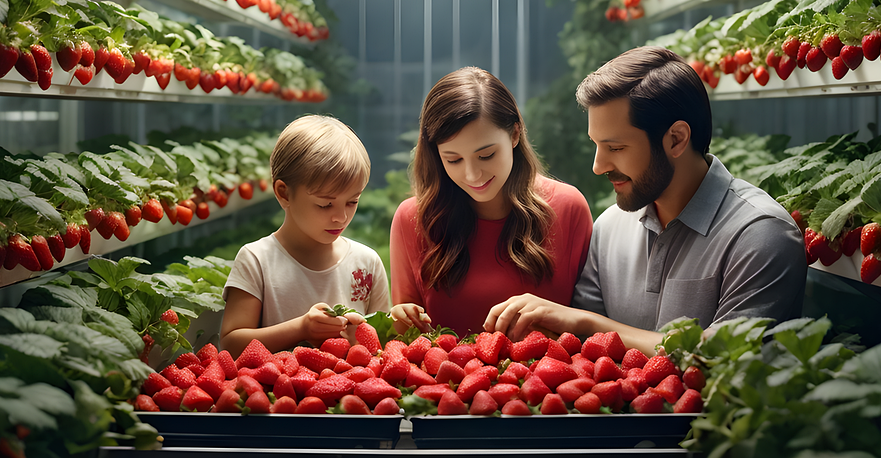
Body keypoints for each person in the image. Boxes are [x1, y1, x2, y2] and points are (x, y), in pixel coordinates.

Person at [484, 46, 805, 353]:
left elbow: (728, 358)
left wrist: (589, 323)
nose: (598, 166)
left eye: (616, 148)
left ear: (676, 139)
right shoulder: (609, 227)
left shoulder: (761, 234)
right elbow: (582, 350)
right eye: (596, 145)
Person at [388, 67, 594, 338]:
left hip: (549, 379)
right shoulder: (413, 218)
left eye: (486, 155)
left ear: (515, 134)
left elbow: (593, 330)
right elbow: (407, 336)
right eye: (453, 160)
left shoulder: (568, 208)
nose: (472, 175)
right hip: (445, 380)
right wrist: (400, 319)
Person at [220, 115, 390, 355]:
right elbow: (230, 344)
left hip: (353, 391)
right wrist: (301, 329)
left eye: (352, 202)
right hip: (280, 392)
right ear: (284, 193)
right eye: (325, 205)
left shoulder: (367, 262)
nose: (341, 217)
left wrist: (399, 323)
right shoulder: (257, 260)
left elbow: (382, 346)